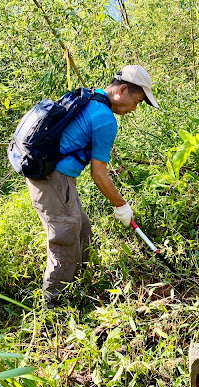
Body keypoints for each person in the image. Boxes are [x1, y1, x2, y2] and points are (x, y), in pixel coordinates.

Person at [26, 65, 159, 308]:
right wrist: (121, 206)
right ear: (122, 90)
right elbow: (99, 175)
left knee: (82, 229)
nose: (134, 109)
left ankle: (81, 284)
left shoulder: (89, 96)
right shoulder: (105, 119)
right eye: (137, 102)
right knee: (65, 239)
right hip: (53, 180)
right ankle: (55, 307)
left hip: (52, 175)